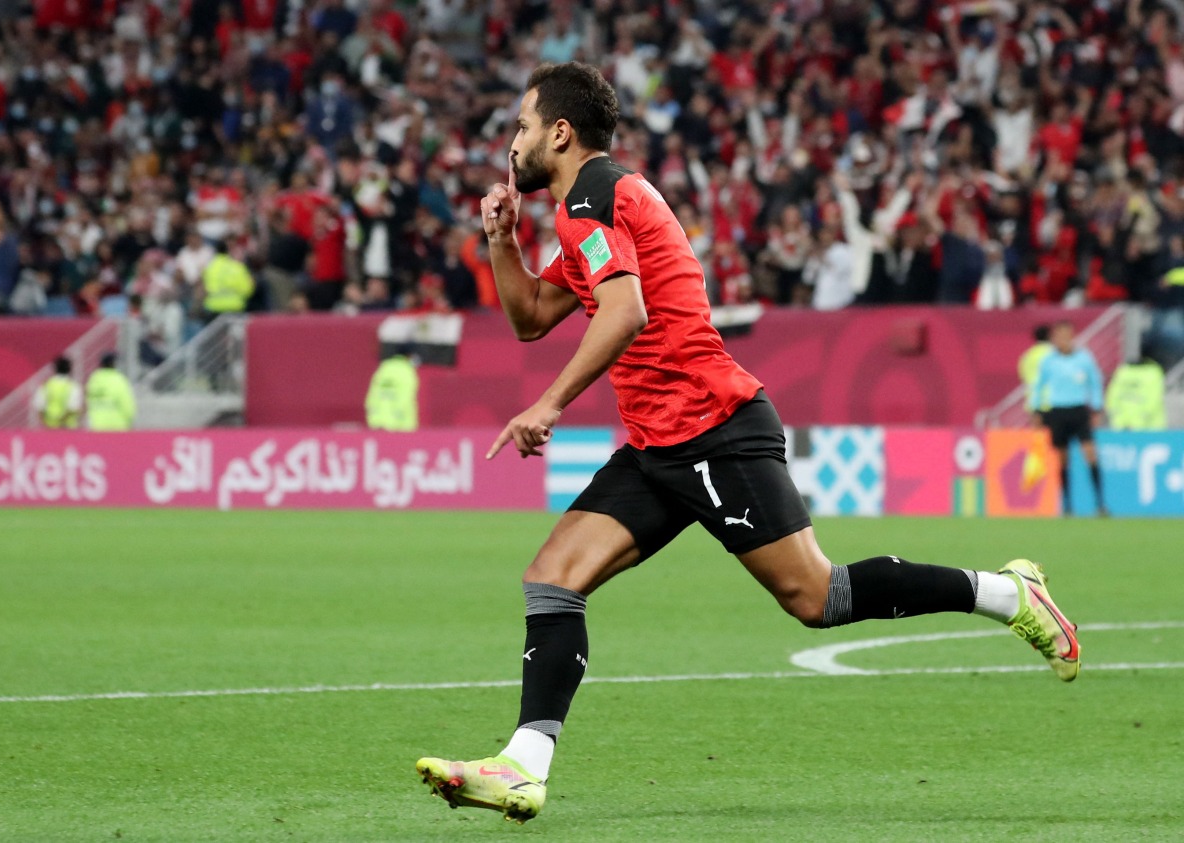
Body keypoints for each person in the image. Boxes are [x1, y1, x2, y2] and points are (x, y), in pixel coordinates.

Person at [415, 62, 1080, 826]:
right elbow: (533, 313)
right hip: (659, 443)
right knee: (552, 578)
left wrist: (548, 403)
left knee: (818, 596)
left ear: (559, 132)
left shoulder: (592, 198)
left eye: (523, 127)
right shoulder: (597, 203)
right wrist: (501, 240)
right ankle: (523, 766)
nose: (514, 145)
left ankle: (1007, 593)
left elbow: (624, 311)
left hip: (712, 429)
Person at [1029, 321, 1106, 515]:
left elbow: (1095, 382)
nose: (1061, 340)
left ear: (1072, 336)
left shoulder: (1084, 359)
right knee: (1063, 460)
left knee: (1090, 454)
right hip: (1058, 411)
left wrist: (1096, 408)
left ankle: (1100, 503)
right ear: (1054, 338)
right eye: (1058, 336)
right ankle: (1067, 505)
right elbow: (1038, 386)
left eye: (1065, 336)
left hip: (1079, 410)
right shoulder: (1049, 361)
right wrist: (1037, 410)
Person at [1105, 343, 1167, 431]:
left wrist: (1118, 419)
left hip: (1125, 427)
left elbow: (1112, 396)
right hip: (1148, 430)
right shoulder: (1154, 373)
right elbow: (1154, 398)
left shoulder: (1123, 371)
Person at [364, 346, 418, 431]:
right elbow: (406, 396)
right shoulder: (407, 371)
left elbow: (372, 395)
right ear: (408, 356)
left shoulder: (384, 368)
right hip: (401, 426)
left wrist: (373, 417)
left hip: (378, 423)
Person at [85, 353, 137, 431]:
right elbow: (127, 404)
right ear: (113, 364)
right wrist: (130, 420)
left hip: (96, 426)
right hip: (117, 426)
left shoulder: (93, 380)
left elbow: (88, 401)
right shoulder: (119, 380)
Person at [32, 356, 83, 429]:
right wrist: (60, 423)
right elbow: (74, 407)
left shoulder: (46, 385)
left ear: (55, 369)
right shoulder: (73, 386)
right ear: (69, 369)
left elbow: (39, 406)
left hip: (49, 427)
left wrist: (46, 423)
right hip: (67, 428)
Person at [1018, 324, 1053, 415]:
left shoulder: (1027, 356)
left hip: (1033, 401)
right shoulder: (1054, 354)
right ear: (1050, 335)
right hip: (1053, 402)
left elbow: (1023, 376)